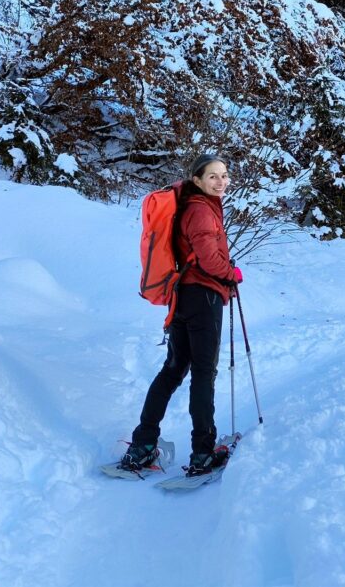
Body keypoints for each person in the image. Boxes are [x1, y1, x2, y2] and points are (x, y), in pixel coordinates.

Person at [120, 153, 243, 476]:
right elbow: (208, 260)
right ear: (197, 180)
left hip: (184, 297)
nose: (221, 182)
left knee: (173, 370)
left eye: (225, 175)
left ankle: (143, 445)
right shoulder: (201, 211)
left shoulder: (189, 206)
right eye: (213, 176)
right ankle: (203, 452)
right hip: (202, 297)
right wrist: (231, 273)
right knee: (203, 374)